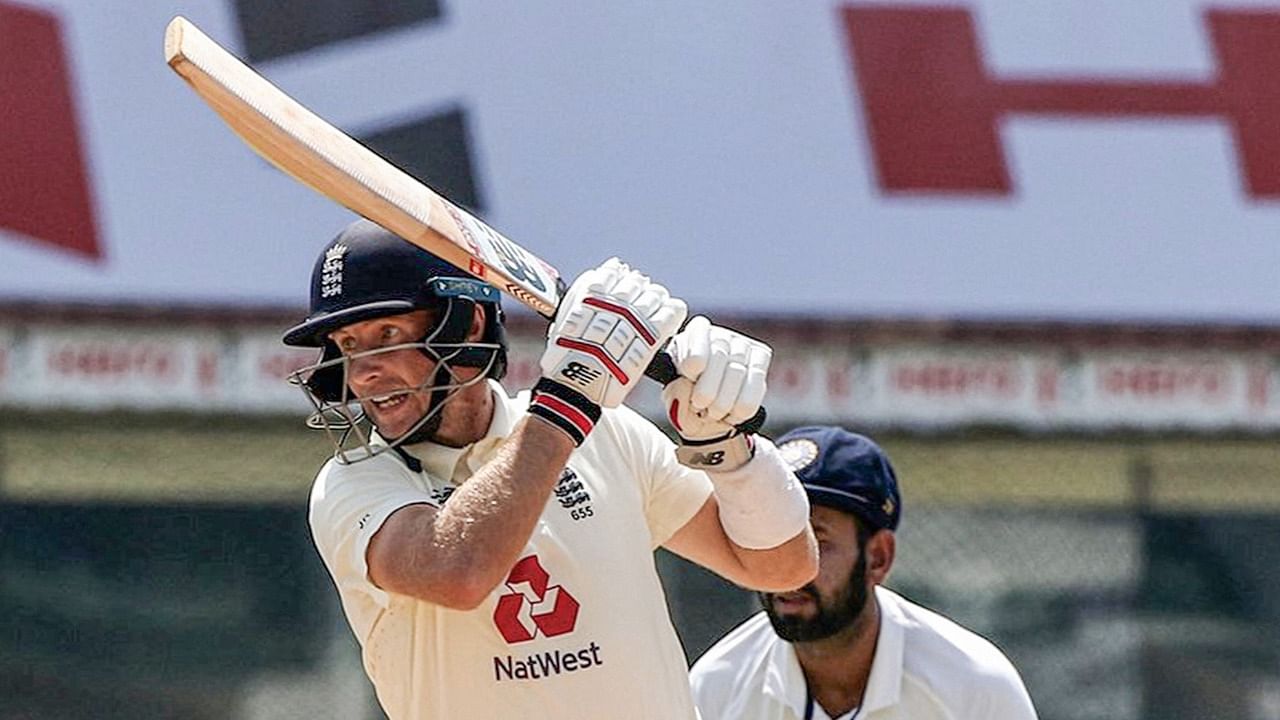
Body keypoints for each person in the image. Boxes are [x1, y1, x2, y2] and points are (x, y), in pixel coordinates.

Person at [281, 218, 819, 720]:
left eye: (387, 336)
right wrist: (569, 395)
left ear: (466, 323)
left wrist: (728, 449)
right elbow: (458, 571)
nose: (364, 374)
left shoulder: (607, 432)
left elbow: (780, 569)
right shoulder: (353, 483)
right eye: (348, 346)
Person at [690, 425, 1038, 720]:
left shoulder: (975, 688)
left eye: (816, 541)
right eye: (775, 536)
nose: (788, 566)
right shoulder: (714, 690)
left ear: (878, 558)